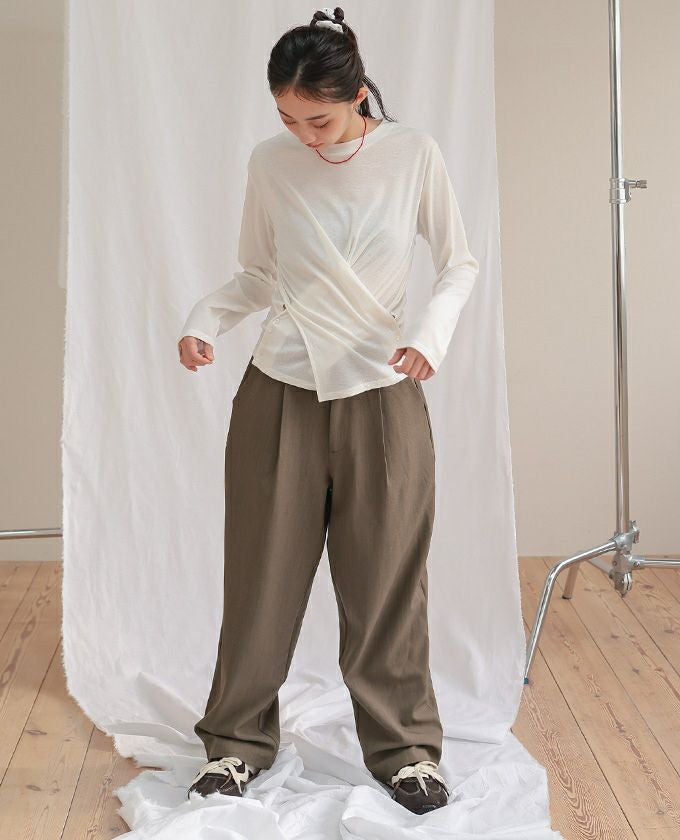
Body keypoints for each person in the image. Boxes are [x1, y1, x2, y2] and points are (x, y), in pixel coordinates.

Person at [178, 5, 479, 816]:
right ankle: (235, 746)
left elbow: (459, 262)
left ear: (357, 96)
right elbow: (258, 273)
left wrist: (429, 336)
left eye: (319, 120)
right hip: (279, 389)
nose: (304, 136)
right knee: (260, 578)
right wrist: (205, 320)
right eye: (288, 119)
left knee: (386, 581)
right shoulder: (271, 162)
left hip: (383, 389)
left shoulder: (412, 154)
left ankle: (406, 752)